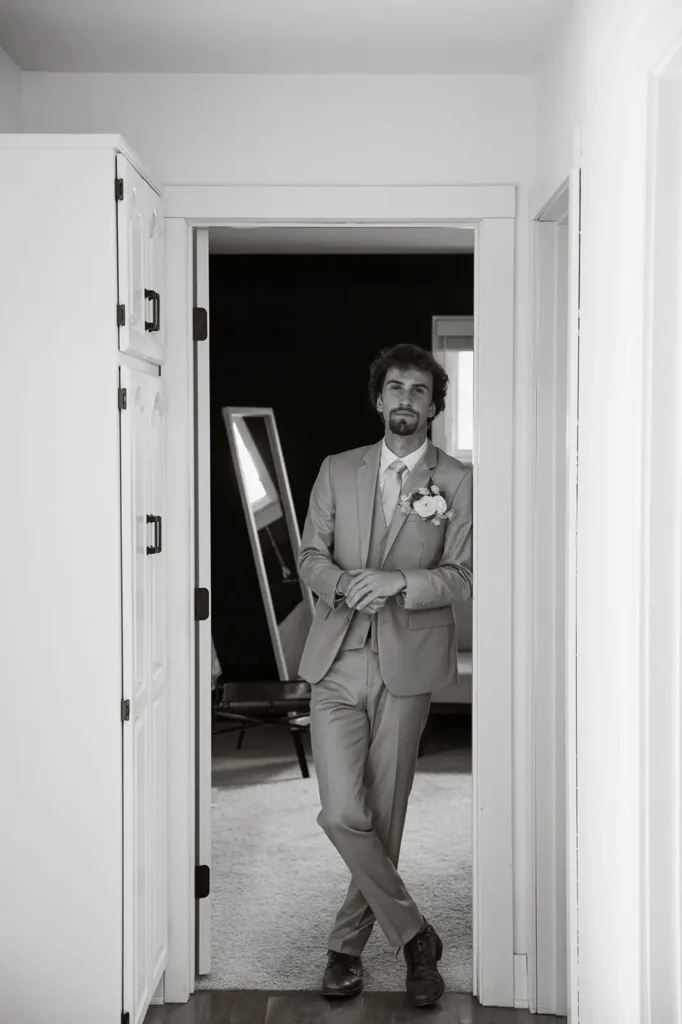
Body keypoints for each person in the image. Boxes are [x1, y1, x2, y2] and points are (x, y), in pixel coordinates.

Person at [297, 343, 473, 1008]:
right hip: (335, 660)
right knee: (342, 811)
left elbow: (462, 575)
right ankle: (414, 935)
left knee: (384, 811)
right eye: (395, 387)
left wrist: (398, 580)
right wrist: (345, 582)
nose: (405, 398)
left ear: (433, 407)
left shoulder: (455, 481)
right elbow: (310, 553)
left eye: (419, 391)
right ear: (378, 399)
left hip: (408, 665)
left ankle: (345, 948)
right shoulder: (337, 469)